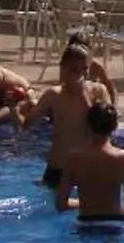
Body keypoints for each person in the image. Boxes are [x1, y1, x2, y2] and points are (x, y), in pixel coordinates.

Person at [32, 38, 116, 187]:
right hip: (57, 170)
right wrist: (12, 108)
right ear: (63, 69)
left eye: (84, 69)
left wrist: (82, 94)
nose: (80, 75)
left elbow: (100, 129)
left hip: (86, 170)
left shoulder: (98, 91)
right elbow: (26, 124)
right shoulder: (53, 95)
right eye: (74, 70)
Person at [54, 103, 124, 224]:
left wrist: (84, 203)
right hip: (113, 225)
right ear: (115, 127)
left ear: (88, 125)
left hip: (85, 224)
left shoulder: (74, 159)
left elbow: (60, 204)